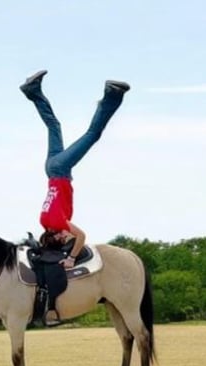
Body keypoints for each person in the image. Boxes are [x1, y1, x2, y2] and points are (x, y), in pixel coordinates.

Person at [20, 70, 129, 324]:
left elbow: (80, 237)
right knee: (54, 125)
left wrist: (70, 258)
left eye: (63, 238)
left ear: (58, 236)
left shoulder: (58, 223)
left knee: (92, 136)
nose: (66, 237)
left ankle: (112, 97)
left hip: (59, 170)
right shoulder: (45, 222)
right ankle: (33, 92)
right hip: (51, 169)